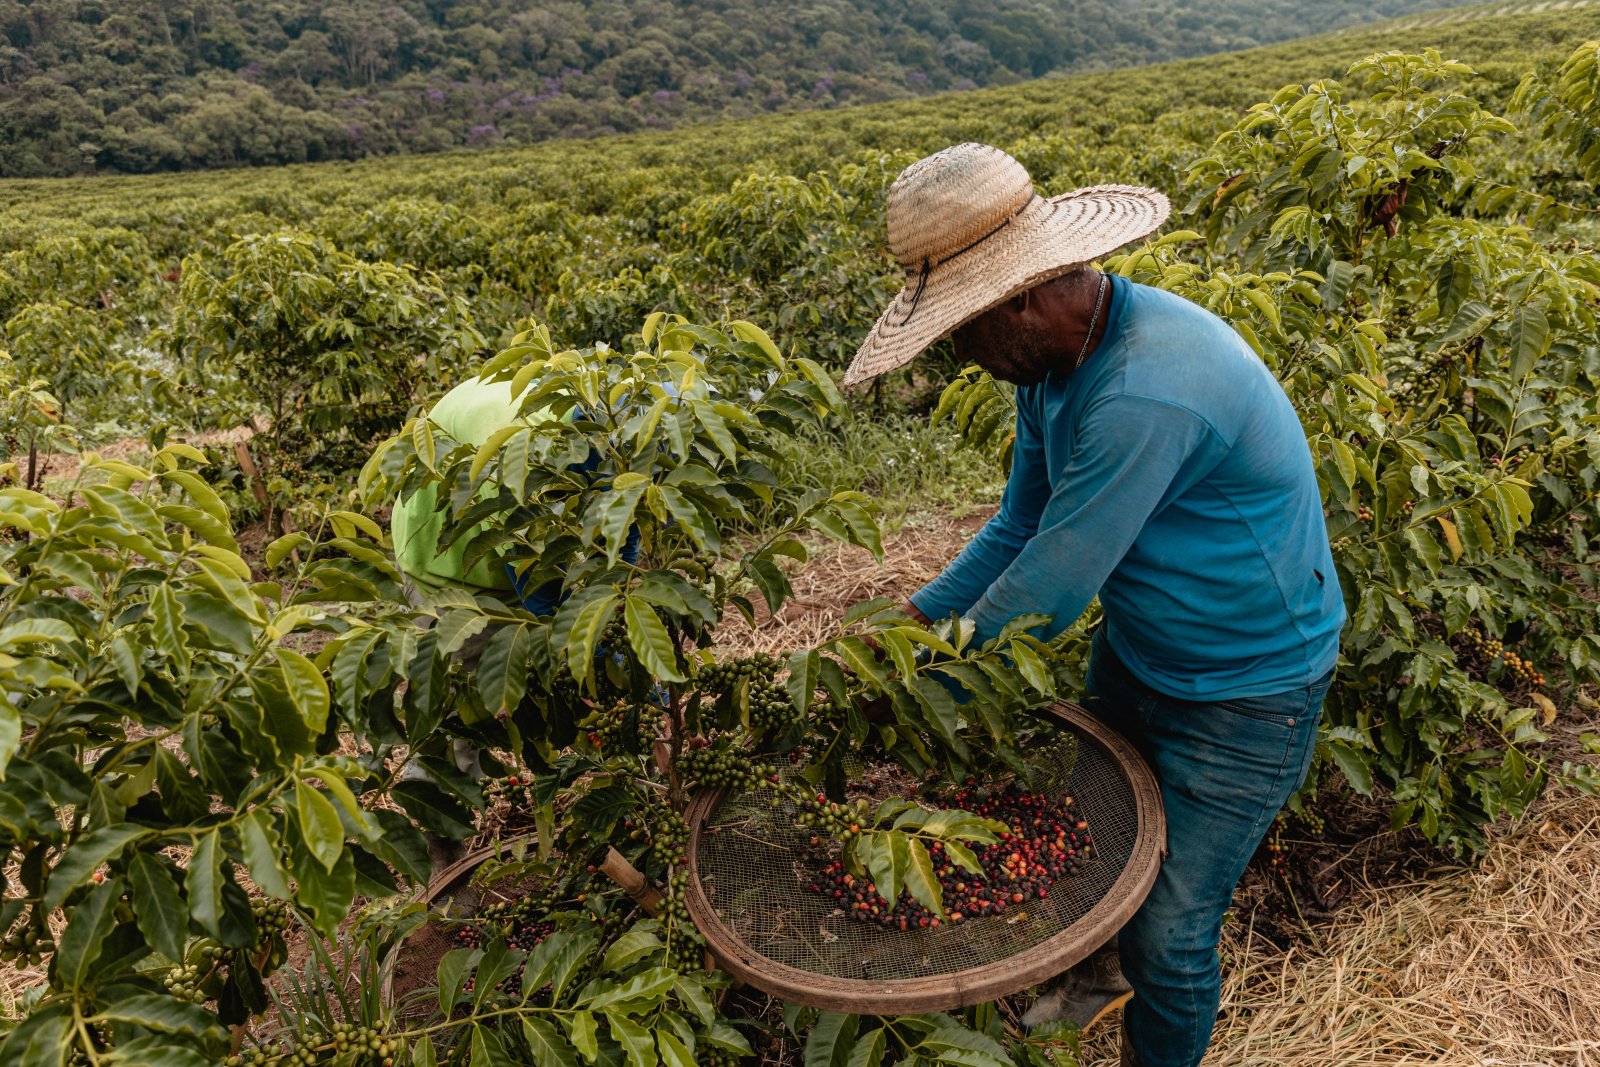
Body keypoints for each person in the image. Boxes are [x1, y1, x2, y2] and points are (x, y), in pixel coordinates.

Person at [843, 143, 1344, 1067]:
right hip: (1143, 649)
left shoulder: (1146, 390)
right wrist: (905, 631)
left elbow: (1047, 592)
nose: (962, 355)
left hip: (1247, 690)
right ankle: (1093, 976)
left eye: (962, 332)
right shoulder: (1054, 368)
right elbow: (1016, 528)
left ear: (1019, 301)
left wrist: (911, 701)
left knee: (1172, 928)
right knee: (1091, 848)